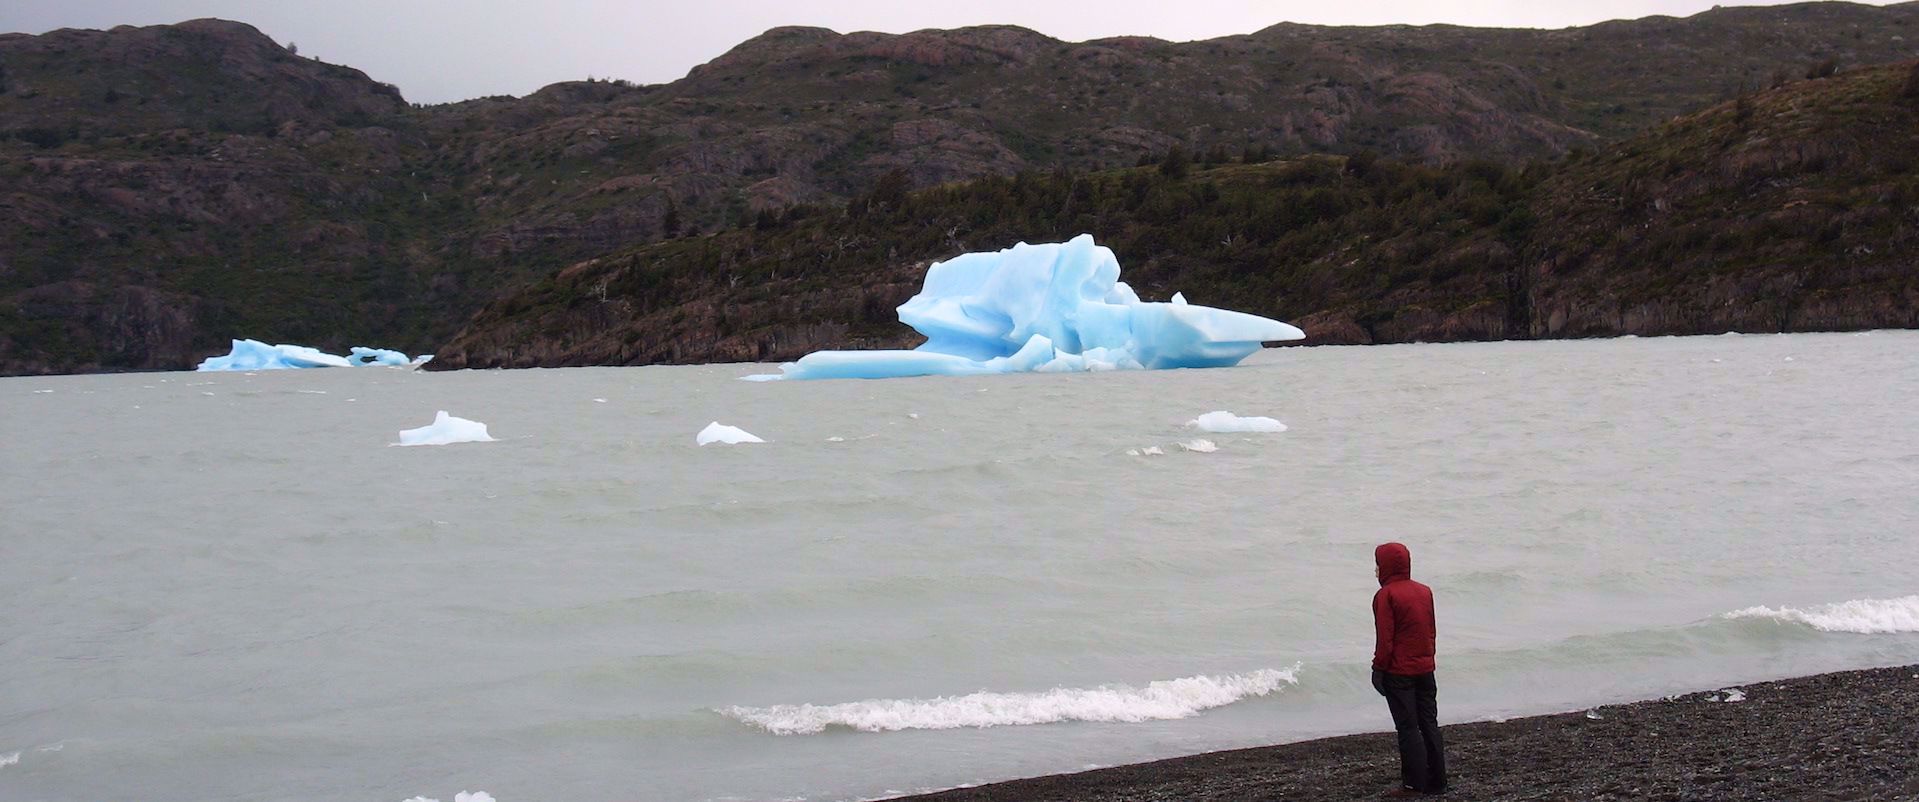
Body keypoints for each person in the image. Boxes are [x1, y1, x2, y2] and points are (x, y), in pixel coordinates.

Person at [1370, 541, 1446, 797]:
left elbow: (1386, 639)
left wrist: (1378, 669)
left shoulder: (1386, 595)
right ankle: (1438, 781)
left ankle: (1414, 784)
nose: (1376, 571)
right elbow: (1431, 631)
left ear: (1387, 566)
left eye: (1378, 565)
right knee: (1429, 724)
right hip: (1426, 669)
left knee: (1408, 727)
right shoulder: (1424, 591)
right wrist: (1428, 659)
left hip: (1399, 673)